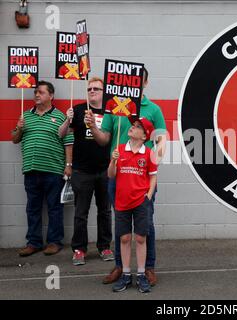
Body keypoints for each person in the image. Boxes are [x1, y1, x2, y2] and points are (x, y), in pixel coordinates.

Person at [85, 67, 166, 286]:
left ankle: (147, 268)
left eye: (140, 81)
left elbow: (161, 139)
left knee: (145, 224)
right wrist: (93, 126)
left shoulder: (154, 110)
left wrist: (153, 157)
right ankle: (121, 268)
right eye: (131, 81)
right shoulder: (115, 108)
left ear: (146, 84)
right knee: (121, 227)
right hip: (118, 176)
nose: (135, 84)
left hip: (141, 177)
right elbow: (104, 139)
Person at [12, 80, 73, 256]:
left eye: (41, 92)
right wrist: (19, 128)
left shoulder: (61, 117)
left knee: (54, 208)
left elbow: (68, 142)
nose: (37, 95)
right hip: (31, 170)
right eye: (35, 92)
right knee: (33, 208)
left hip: (54, 170)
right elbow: (15, 139)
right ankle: (34, 242)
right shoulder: (26, 116)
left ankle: (55, 242)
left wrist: (68, 166)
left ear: (51, 96)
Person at [59, 77, 114, 265]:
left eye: (96, 89)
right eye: (89, 88)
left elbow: (109, 139)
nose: (92, 91)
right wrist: (68, 119)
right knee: (80, 212)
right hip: (82, 170)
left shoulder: (110, 112)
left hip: (105, 170)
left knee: (104, 211)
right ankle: (79, 249)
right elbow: (61, 134)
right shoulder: (79, 109)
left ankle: (104, 246)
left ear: (103, 92)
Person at [108, 117, 157, 293]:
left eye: (137, 127)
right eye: (133, 125)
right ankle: (126, 275)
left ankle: (142, 274)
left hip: (141, 202)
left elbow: (153, 176)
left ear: (144, 136)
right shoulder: (119, 149)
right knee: (124, 238)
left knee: (141, 238)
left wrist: (148, 196)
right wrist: (113, 161)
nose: (132, 127)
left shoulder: (149, 153)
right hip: (122, 201)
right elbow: (111, 175)